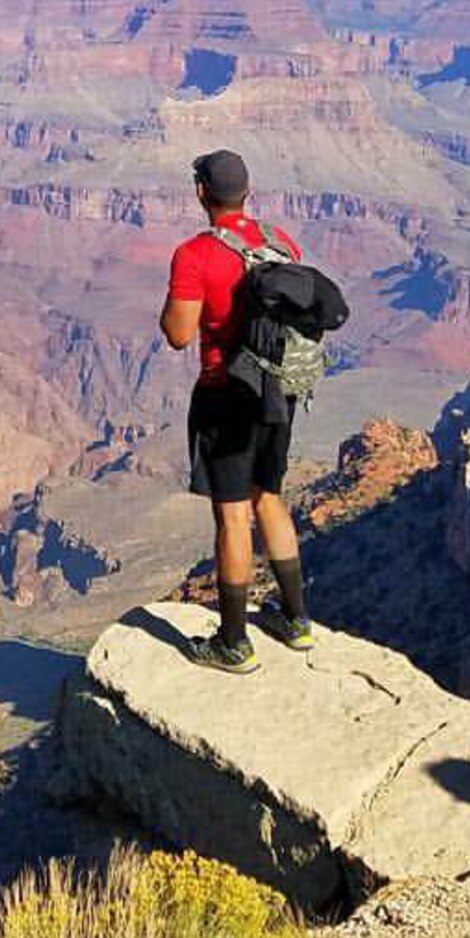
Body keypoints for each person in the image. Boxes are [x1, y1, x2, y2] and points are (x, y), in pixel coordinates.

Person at [159, 147, 315, 672]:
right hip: (280, 393)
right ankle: (295, 622)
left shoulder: (195, 254)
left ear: (202, 192)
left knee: (230, 515)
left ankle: (233, 643)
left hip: (226, 394)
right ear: (247, 192)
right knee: (268, 497)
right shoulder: (280, 242)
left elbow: (179, 335)